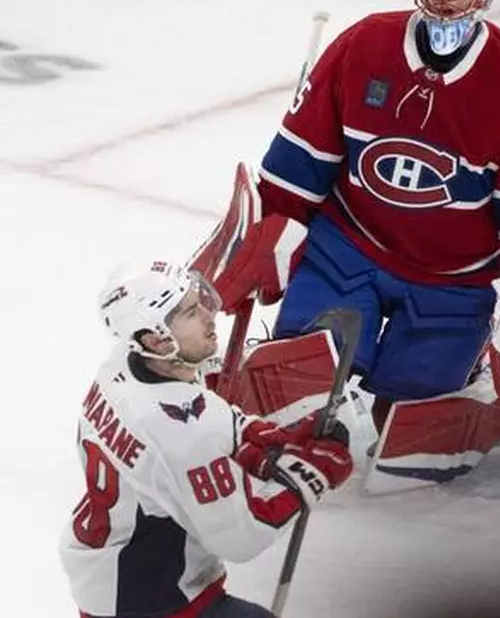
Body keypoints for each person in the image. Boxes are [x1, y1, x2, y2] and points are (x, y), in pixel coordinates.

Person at [196, 0, 500, 494]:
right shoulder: (365, 43)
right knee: (298, 380)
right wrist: (271, 231)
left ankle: (485, 336)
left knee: (409, 426)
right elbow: (302, 157)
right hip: (348, 246)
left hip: (454, 279)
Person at [60, 260, 354, 618]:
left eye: (199, 301)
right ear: (155, 337)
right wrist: (309, 474)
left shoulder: (124, 364)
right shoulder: (179, 434)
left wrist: (268, 440)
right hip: (149, 600)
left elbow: (205, 415)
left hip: (108, 569)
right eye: (189, 313)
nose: (209, 316)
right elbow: (242, 534)